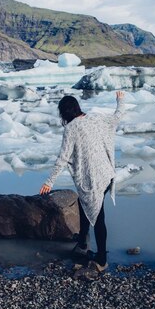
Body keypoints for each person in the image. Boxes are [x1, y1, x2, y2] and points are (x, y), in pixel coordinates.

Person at [39, 91, 125, 271]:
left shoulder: (71, 128)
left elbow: (63, 158)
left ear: (64, 113)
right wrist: (120, 100)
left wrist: (49, 182)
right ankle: (83, 243)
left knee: (99, 218)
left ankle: (102, 260)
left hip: (93, 180)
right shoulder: (95, 118)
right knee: (83, 203)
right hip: (107, 174)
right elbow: (117, 117)